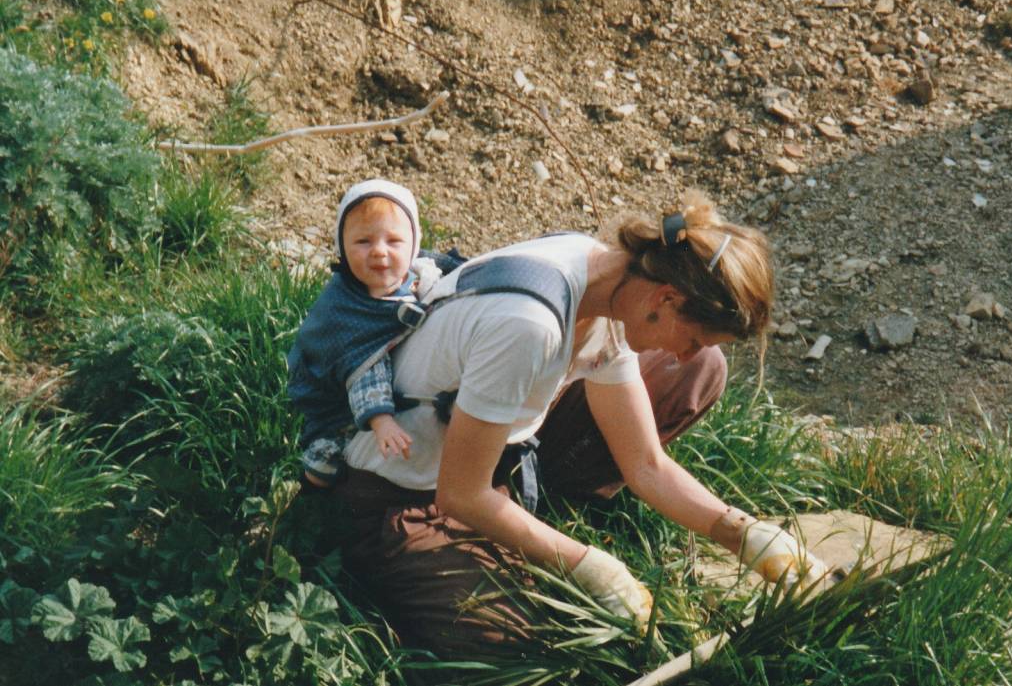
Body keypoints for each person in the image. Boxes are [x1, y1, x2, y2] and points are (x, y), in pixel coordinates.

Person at [333, 189, 830, 656]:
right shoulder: (527, 324)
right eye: (694, 338)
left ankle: (525, 523)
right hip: (400, 494)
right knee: (528, 643)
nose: (684, 354)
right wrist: (589, 565)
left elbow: (646, 464)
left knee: (701, 374)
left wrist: (741, 532)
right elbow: (460, 495)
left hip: (486, 453)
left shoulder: (614, 287)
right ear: (667, 300)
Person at [287, 179, 440, 488]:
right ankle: (307, 496)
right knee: (324, 465)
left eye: (394, 241)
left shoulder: (419, 276)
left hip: (403, 373)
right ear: (342, 247)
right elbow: (362, 366)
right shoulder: (344, 309)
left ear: (414, 245)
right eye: (363, 242)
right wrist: (381, 421)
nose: (379, 252)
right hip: (337, 399)